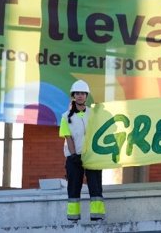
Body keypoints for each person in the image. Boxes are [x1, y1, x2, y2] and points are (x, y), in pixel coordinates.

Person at [59, 79, 105, 221]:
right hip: (74, 157)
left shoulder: (93, 114)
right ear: (73, 96)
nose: (80, 96)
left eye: (83, 93)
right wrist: (73, 155)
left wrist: (102, 110)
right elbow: (68, 137)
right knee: (74, 186)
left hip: (91, 155)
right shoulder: (66, 116)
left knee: (95, 186)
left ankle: (97, 217)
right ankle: (73, 219)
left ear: (86, 96)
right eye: (77, 93)